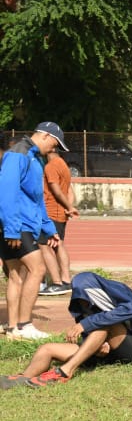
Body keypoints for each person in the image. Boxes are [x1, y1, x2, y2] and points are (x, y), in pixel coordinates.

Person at [0, 272, 132, 388]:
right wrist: (97, 345)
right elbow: (89, 331)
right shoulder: (81, 303)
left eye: (85, 297)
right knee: (47, 348)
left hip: (130, 351)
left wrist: (87, 324)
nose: (83, 303)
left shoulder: (115, 289)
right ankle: (23, 378)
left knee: (103, 325)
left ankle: (65, 371)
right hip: (102, 352)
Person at [0, 122, 67, 339]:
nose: (55, 149)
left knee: (16, 275)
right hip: (18, 226)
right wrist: (11, 229)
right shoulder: (19, 154)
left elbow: (36, 199)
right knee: (37, 270)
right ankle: (25, 324)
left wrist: (49, 229)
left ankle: (12, 328)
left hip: (22, 225)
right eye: (55, 143)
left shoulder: (34, 157)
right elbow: (6, 192)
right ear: (46, 136)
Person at [39, 151, 79, 295]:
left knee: (44, 246)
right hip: (60, 213)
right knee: (59, 244)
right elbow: (70, 190)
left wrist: (69, 207)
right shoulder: (63, 165)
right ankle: (66, 280)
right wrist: (68, 206)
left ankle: (56, 282)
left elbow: (56, 190)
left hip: (50, 212)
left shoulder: (50, 166)